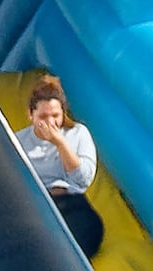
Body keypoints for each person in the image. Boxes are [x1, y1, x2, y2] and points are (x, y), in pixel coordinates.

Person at [14, 73, 103, 258]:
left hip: (70, 201)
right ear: (31, 115)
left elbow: (83, 180)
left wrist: (61, 143)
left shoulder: (77, 133)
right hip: (36, 203)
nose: (50, 122)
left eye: (55, 115)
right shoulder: (18, 141)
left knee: (87, 231)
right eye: (43, 116)